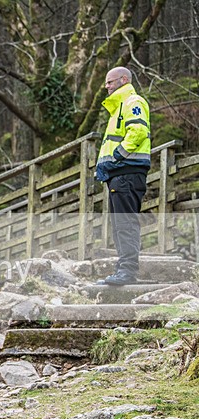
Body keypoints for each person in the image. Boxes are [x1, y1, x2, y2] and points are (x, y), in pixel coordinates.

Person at [95, 66, 151, 285]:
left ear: (124, 80)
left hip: (126, 173)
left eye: (110, 82)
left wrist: (118, 156)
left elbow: (138, 131)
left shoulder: (132, 102)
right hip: (119, 175)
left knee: (125, 223)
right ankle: (123, 269)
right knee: (120, 224)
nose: (106, 86)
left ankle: (127, 271)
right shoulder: (118, 107)